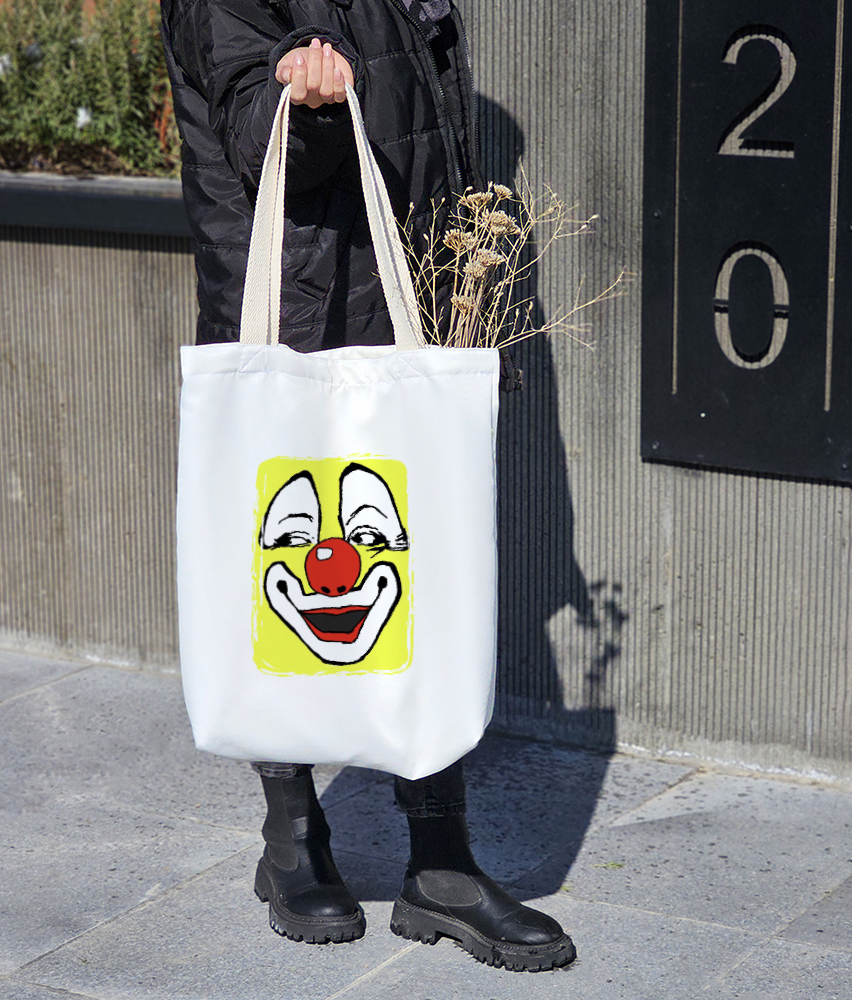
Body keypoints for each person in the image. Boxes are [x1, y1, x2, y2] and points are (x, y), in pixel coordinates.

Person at [159, 0, 575, 973]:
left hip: (399, 301)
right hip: (297, 303)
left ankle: (441, 860)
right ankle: (293, 837)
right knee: (290, 571)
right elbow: (254, 133)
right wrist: (301, 105)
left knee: (417, 566)